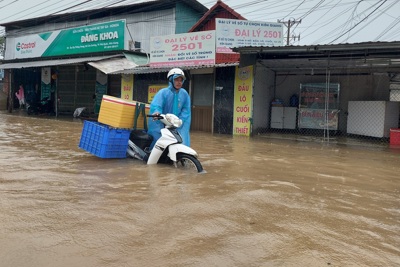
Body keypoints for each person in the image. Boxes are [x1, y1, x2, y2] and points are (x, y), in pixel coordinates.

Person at [147, 68, 191, 149]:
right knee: (158, 139)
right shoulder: (163, 93)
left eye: (181, 80)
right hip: (162, 121)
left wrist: (181, 120)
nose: (179, 82)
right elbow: (157, 105)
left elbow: (186, 110)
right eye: (176, 79)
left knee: (181, 140)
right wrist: (157, 112)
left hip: (177, 123)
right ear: (171, 80)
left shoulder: (184, 94)